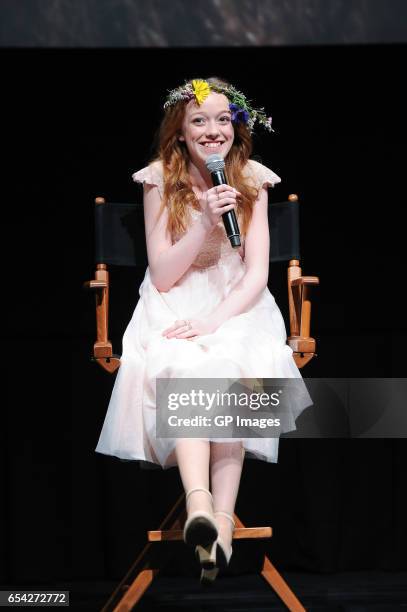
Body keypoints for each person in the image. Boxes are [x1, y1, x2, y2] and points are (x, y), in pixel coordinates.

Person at [95, 77, 312, 584]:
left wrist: (216, 320)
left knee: (229, 365)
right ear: (180, 132)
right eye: (199, 121)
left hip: (239, 303)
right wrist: (205, 224)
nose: (212, 130)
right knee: (183, 363)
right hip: (175, 300)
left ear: (235, 128)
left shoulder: (252, 179)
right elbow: (164, 272)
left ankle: (220, 521)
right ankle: (202, 508)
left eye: (222, 120)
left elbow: (256, 273)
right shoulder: (158, 181)